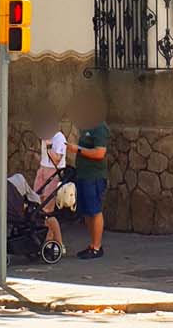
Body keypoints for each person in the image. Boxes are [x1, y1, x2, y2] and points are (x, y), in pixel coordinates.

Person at [72, 98, 109, 260]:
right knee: (87, 211)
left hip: (94, 176)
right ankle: (92, 244)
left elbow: (100, 153)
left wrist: (78, 150)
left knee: (95, 210)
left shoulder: (99, 128)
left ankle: (97, 246)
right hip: (83, 174)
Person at [33, 114, 68, 253]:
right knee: (38, 206)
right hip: (43, 170)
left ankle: (59, 243)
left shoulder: (59, 138)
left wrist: (48, 145)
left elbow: (57, 159)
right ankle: (47, 240)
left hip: (53, 173)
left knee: (48, 211)